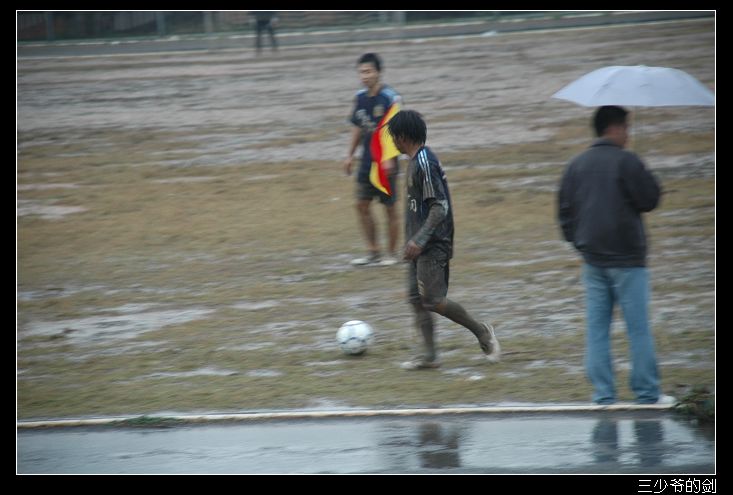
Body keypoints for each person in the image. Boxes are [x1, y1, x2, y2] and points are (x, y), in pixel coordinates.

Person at [557, 105, 676, 405]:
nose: (628, 134)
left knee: (597, 330)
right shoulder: (627, 161)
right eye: (627, 128)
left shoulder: (576, 165)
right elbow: (650, 200)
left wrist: (580, 243)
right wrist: (642, 171)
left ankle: (603, 395)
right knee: (638, 329)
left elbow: (565, 212)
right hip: (628, 261)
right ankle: (647, 393)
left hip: (593, 260)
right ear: (615, 128)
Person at [386, 109, 500, 369]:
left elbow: (439, 207)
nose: (392, 142)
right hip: (416, 245)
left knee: (434, 300)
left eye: (393, 137)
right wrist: (411, 241)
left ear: (402, 136)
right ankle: (430, 357)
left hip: (432, 244)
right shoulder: (414, 162)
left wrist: (419, 240)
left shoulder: (425, 163)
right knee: (416, 299)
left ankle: (482, 332)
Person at [343, 53, 401, 266]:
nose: (364, 76)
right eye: (361, 72)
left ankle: (392, 255)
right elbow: (357, 127)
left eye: (368, 71)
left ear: (378, 72)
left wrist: (389, 158)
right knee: (361, 205)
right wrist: (350, 155)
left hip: (386, 163)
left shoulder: (390, 98)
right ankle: (373, 252)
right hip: (366, 162)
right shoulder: (360, 98)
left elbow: (396, 131)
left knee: (390, 208)